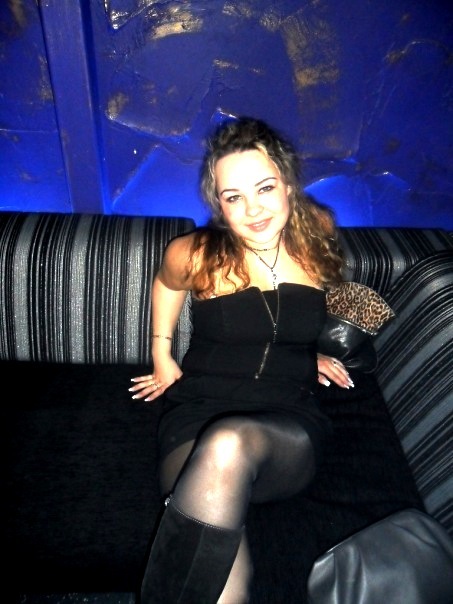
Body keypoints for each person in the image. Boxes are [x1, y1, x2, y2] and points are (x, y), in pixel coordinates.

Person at [129, 116, 354, 603]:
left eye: (265, 188)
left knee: (229, 442)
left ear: (288, 184)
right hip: (197, 414)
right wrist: (161, 353)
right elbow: (166, 285)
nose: (253, 209)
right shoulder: (195, 253)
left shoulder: (318, 232)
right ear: (219, 204)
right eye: (233, 197)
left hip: (286, 424)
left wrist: (309, 349)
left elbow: (317, 304)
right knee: (215, 575)